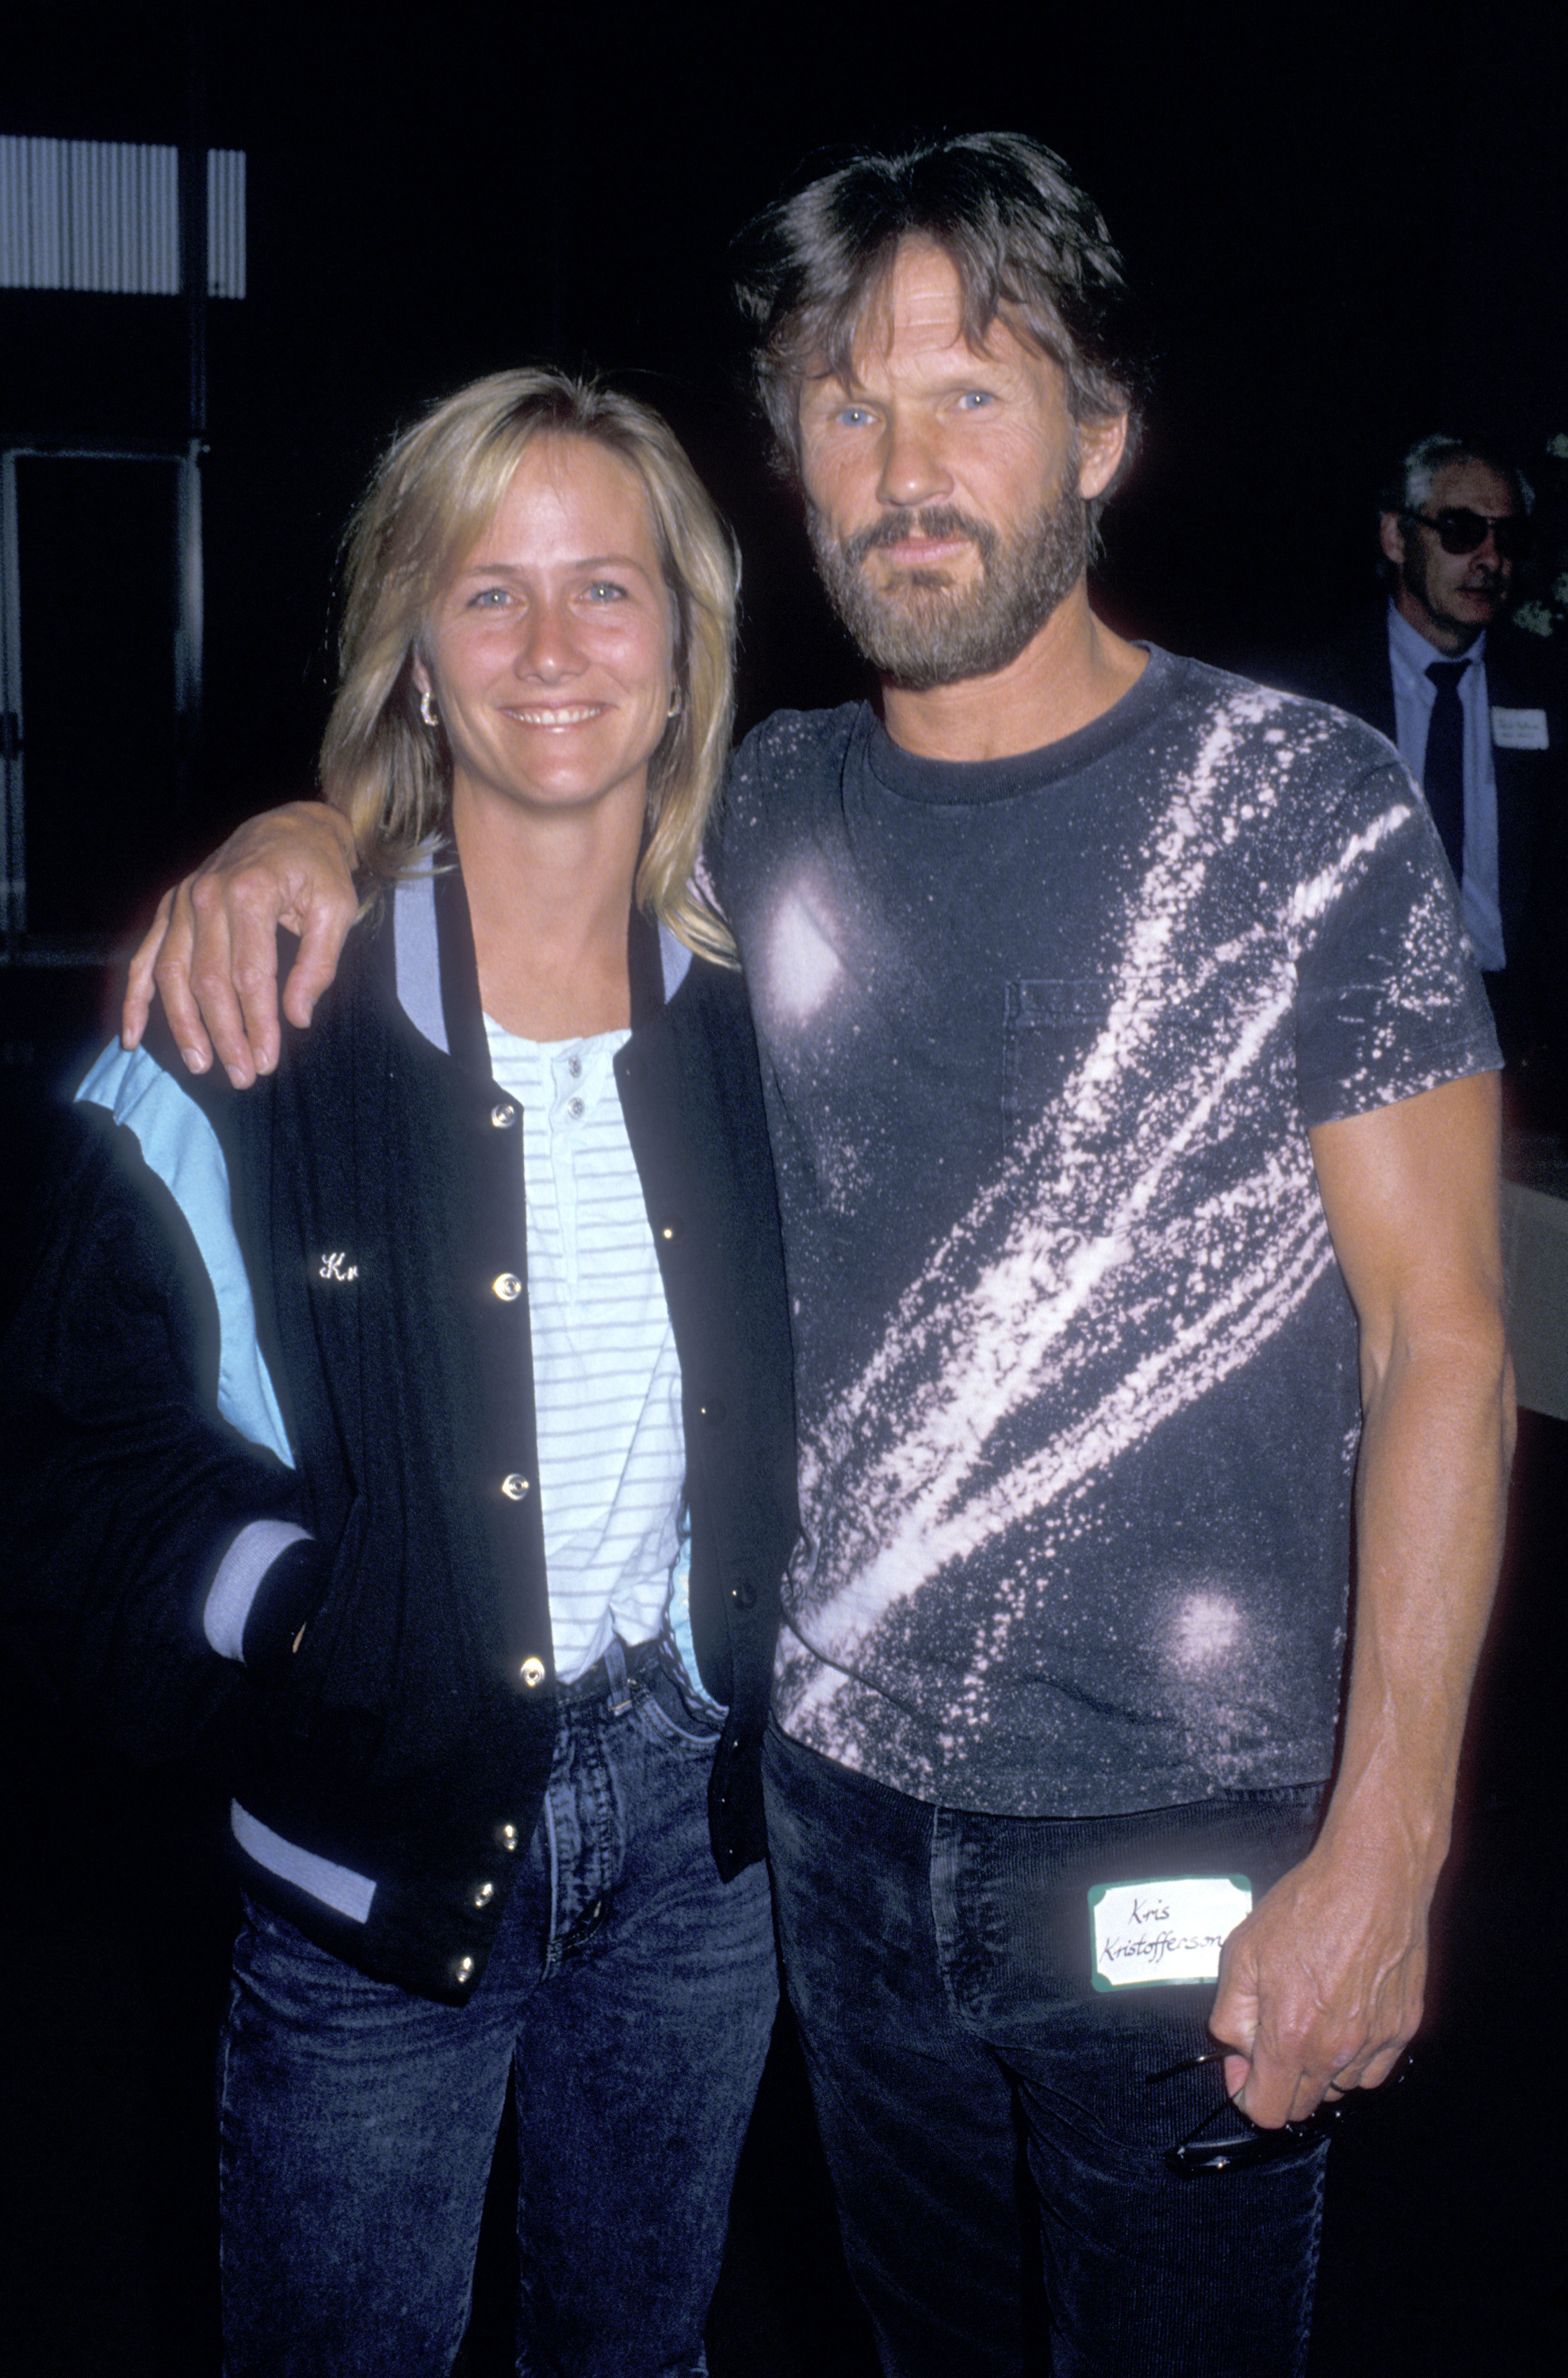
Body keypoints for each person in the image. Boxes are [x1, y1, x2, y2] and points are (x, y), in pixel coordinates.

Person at [122, 136, 1512, 2378]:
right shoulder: (764, 814)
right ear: (788, 456)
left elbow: (1447, 1344)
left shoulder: (1303, 806)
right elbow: (524, 775)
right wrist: (303, 826)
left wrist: (1388, 1853)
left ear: (1101, 431)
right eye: (846, 402)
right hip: (823, 1839)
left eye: (974, 392)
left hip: (1186, 1848)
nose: (904, 463)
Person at [3, 370, 797, 2378]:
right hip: (369, 1867)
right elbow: (72, 1456)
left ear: (687, 651)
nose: (551, 649)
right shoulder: (247, 1023)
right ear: (416, 661)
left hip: (708, 1866)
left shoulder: (779, 1030)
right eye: (488, 592)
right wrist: (313, 1605)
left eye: (608, 591)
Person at [1279, 434, 1568, 1144]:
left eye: (1506, 536)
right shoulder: (1319, 695)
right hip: (1353, 1043)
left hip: (1506, 1047)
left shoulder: (1543, 691)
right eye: (1462, 530)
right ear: (1395, 534)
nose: (1490, 560)